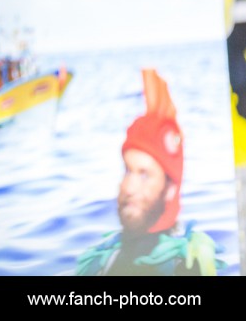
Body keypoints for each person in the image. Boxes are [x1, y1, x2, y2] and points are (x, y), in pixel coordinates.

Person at [76, 68, 219, 276]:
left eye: (145, 175)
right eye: (127, 170)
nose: (129, 187)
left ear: (170, 189)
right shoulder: (102, 261)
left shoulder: (188, 265)